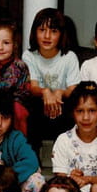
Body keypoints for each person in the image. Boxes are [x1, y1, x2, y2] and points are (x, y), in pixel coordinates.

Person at [21, 8, 81, 147]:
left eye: (53, 31)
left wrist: (60, 92)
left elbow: (73, 89)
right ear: (34, 32)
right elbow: (33, 87)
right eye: (42, 30)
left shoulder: (69, 57)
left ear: (61, 34)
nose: (47, 36)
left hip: (63, 106)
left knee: (70, 111)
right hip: (39, 106)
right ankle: (32, 157)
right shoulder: (29, 56)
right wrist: (46, 92)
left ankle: (64, 154)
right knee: (31, 109)